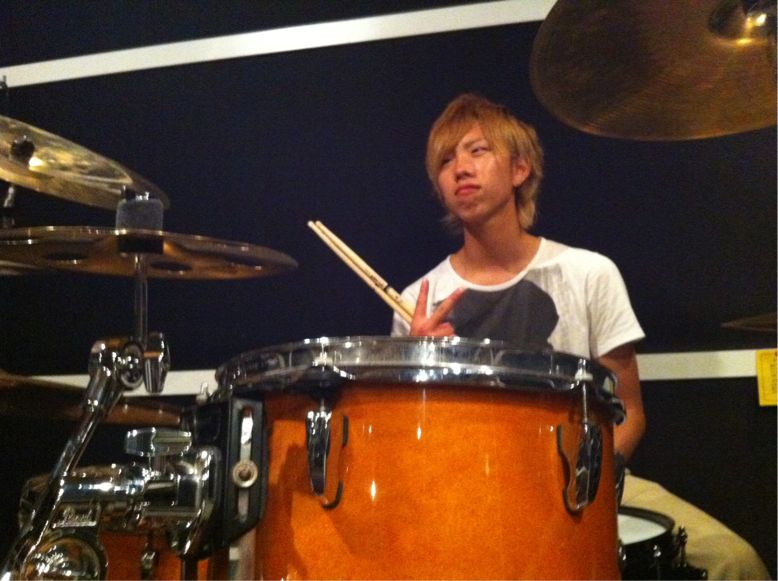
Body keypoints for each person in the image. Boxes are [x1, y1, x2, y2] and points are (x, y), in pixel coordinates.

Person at [391, 93, 769, 580]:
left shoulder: (588, 274)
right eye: (445, 160)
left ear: (520, 169)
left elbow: (629, 412)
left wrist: (586, 482)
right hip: (468, 490)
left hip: (586, 479)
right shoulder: (418, 301)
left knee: (734, 563)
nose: (460, 168)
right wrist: (419, 362)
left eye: (477, 151)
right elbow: (412, 445)